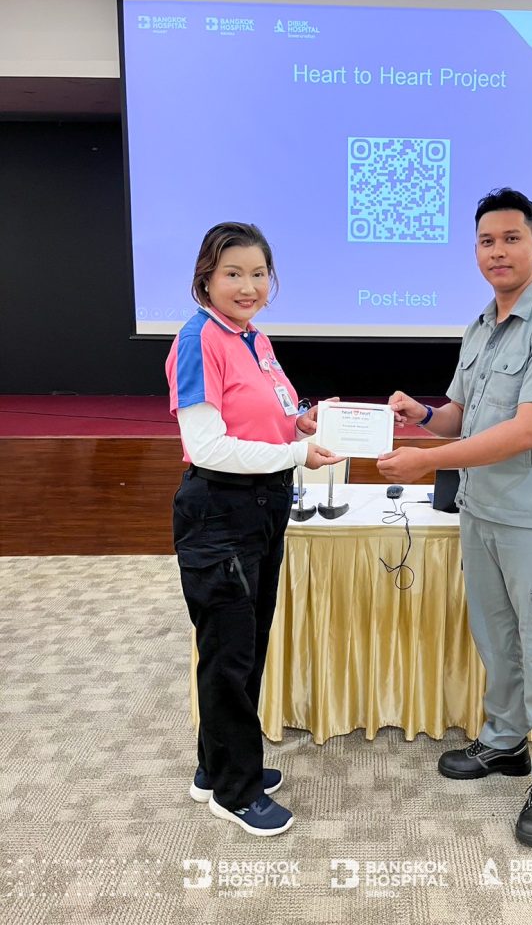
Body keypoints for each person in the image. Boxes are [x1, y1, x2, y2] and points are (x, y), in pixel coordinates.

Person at [377, 189, 532, 846]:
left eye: (511, 239)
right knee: (497, 641)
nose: (498, 251)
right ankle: (504, 743)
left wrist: (425, 460)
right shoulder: (479, 326)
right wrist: (422, 416)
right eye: (486, 241)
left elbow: (528, 430)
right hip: (482, 512)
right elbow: (462, 416)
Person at [166, 221, 341, 837]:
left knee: (244, 644)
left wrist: (303, 423)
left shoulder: (253, 339)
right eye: (233, 273)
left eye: (259, 273)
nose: (248, 286)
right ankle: (235, 792)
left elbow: (271, 418)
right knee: (229, 652)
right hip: (220, 508)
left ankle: (216, 767)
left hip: (262, 504)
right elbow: (208, 446)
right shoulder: (199, 340)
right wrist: (296, 453)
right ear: (206, 279)